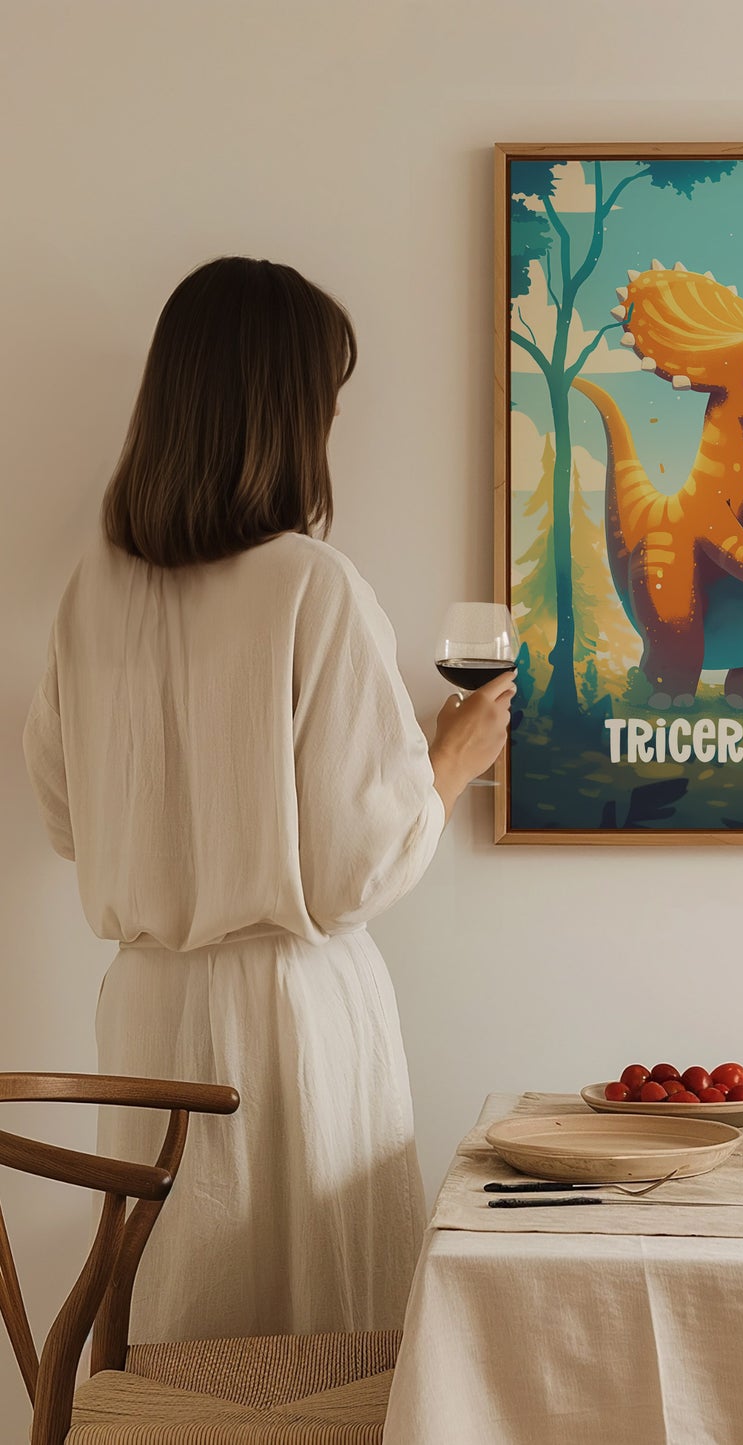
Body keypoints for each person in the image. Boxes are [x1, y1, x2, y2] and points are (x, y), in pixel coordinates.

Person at [21, 256, 511, 1341]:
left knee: (177, 1326)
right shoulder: (310, 583)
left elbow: (65, 816)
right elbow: (350, 871)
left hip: (146, 1009)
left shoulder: (91, 590)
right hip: (289, 1019)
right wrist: (448, 759)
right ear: (287, 412)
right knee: (313, 1343)